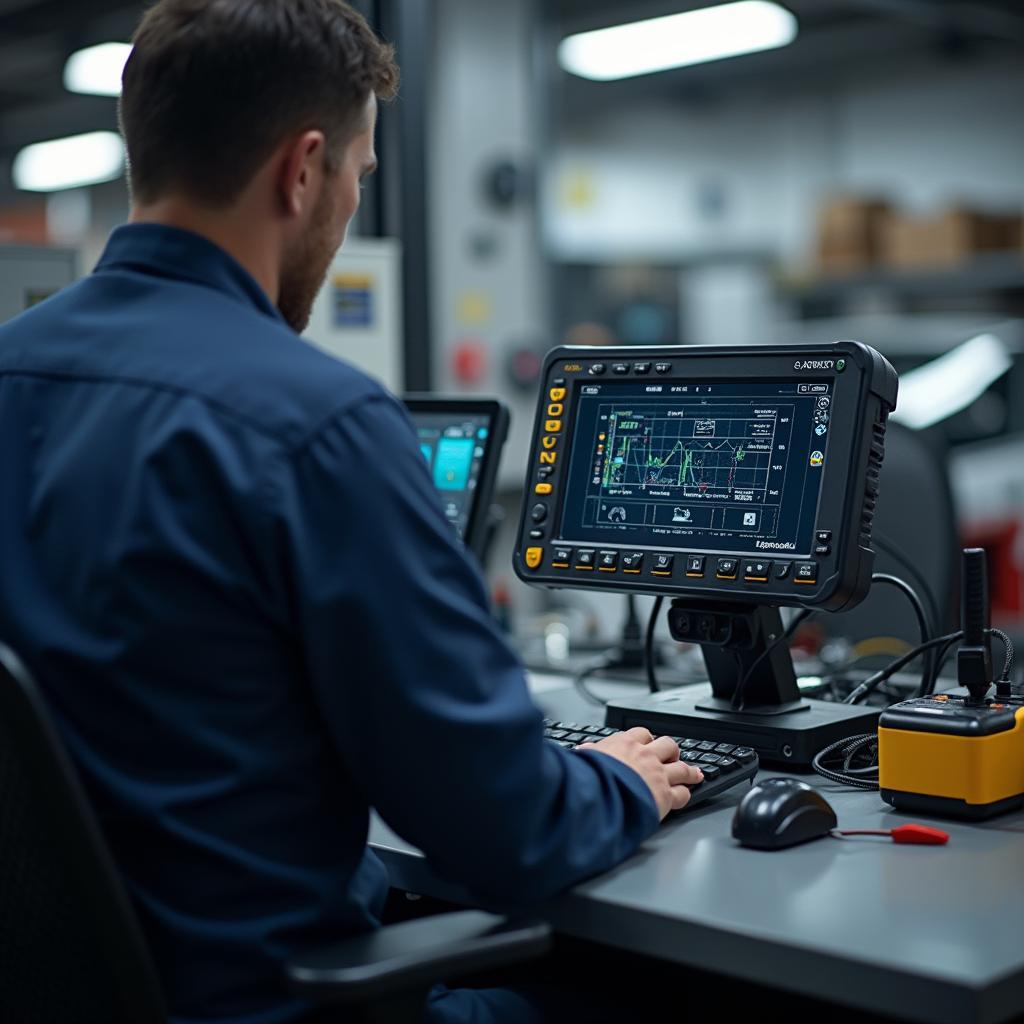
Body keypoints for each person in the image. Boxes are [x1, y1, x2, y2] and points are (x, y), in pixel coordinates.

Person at [0, 2, 702, 1021]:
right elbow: (508, 832)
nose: (345, 210)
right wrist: (620, 779)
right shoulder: (313, 423)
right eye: (359, 180)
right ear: (303, 168)